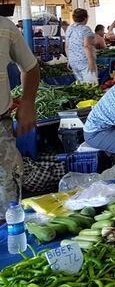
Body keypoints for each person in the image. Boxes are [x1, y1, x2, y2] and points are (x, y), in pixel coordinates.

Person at [0, 15, 40, 210]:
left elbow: (31, 67)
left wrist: (28, 102)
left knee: (8, 201)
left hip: (1, 127)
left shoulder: (5, 26)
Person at [65, 8, 98, 84]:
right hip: (84, 61)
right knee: (91, 86)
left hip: (73, 62)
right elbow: (87, 46)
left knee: (80, 85)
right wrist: (91, 62)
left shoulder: (69, 28)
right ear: (85, 18)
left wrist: (70, 60)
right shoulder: (85, 29)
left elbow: (66, 46)